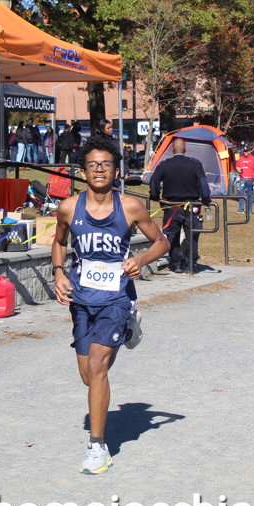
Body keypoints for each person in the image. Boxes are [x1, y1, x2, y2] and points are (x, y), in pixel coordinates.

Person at [51, 135, 169, 474]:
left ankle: (98, 446)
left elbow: (162, 242)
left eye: (106, 164)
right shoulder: (68, 207)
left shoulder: (130, 207)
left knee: (98, 367)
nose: (99, 170)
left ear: (116, 171)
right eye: (93, 164)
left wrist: (141, 259)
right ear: (83, 171)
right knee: (88, 376)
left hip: (116, 297)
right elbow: (59, 242)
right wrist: (58, 272)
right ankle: (128, 329)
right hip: (81, 297)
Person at [149, 138, 211, 274]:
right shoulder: (195, 164)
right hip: (191, 205)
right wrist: (206, 198)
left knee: (172, 235)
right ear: (185, 149)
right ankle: (190, 263)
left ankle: (176, 263)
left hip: (171, 206)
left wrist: (154, 195)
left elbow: (154, 180)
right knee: (192, 235)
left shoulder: (165, 164)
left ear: (172, 149)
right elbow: (203, 183)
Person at [235, 146, 254, 214]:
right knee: (240, 192)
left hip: (250, 179)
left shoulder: (253, 159)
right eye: (244, 151)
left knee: (250, 194)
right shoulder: (241, 158)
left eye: (246, 151)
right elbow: (237, 166)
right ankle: (241, 208)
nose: (245, 152)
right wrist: (238, 169)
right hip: (242, 179)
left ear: (250, 151)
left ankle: (249, 209)